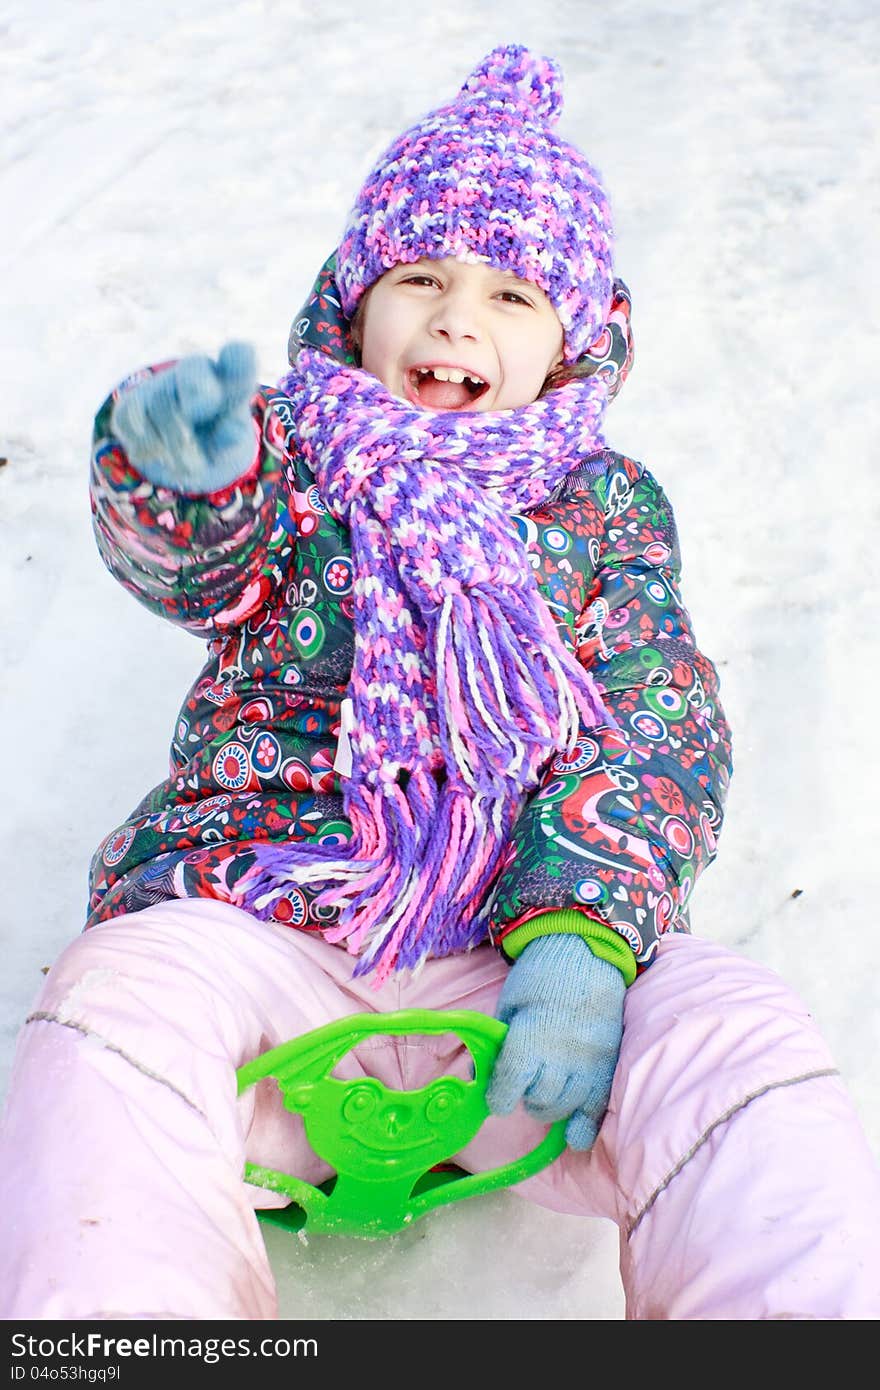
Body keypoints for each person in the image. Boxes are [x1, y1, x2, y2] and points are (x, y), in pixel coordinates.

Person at [2, 43, 879, 1323]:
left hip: (517, 990)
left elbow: (656, 718)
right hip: (272, 929)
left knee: (731, 1028)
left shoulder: (605, 505)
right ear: (354, 309)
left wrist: (581, 936)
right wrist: (181, 481)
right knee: (117, 1005)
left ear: (575, 345)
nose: (459, 316)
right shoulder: (293, 456)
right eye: (421, 277)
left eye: (514, 296)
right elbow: (209, 573)